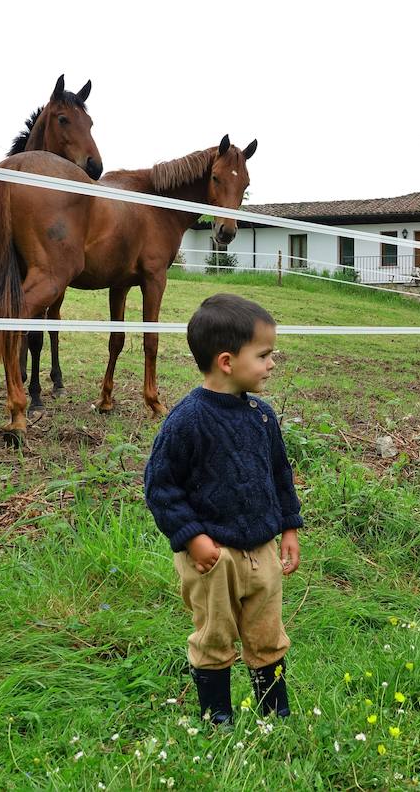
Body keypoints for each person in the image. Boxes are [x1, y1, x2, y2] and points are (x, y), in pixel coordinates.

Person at [143, 294, 303, 725]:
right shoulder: (187, 420)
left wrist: (289, 527)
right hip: (212, 555)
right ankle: (218, 715)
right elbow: (161, 485)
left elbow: (279, 475)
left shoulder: (262, 416)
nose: (272, 363)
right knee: (214, 633)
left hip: (261, 550)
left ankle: (275, 710)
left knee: (267, 632)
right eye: (264, 355)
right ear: (228, 361)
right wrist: (192, 536)